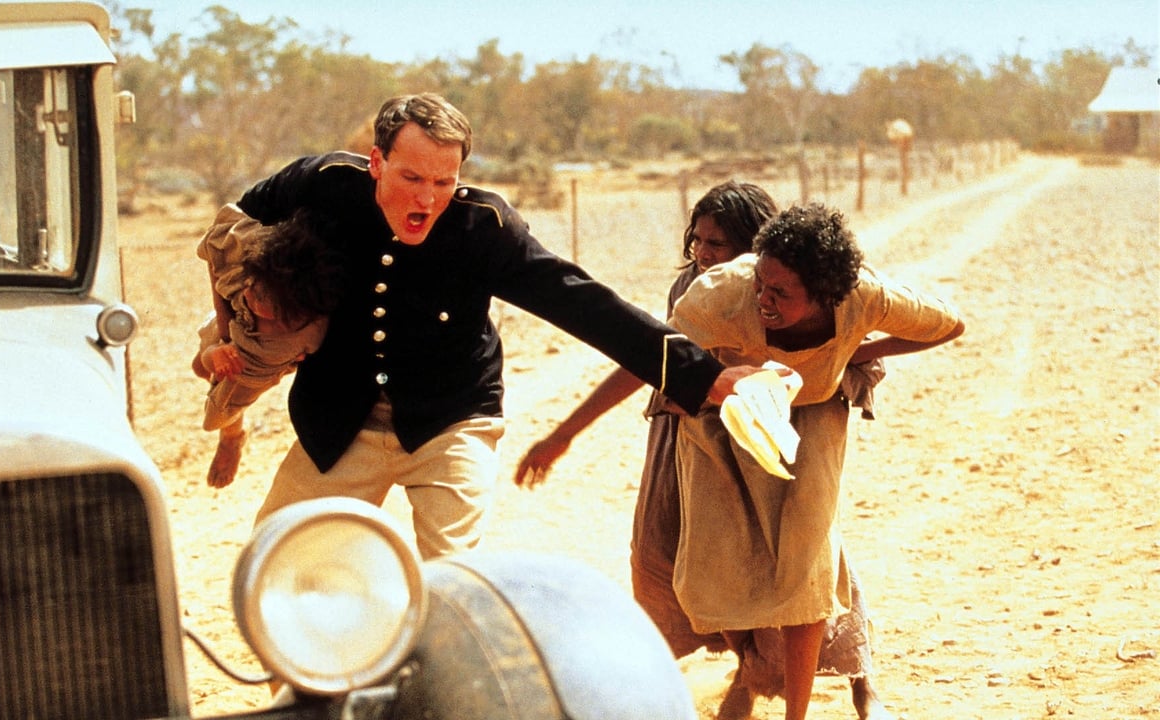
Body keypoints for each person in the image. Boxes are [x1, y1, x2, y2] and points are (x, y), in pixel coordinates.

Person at [234, 92, 738, 559]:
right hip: (339, 419)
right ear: (376, 162)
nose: (427, 200)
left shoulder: (483, 229)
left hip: (451, 421)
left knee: (452, 580)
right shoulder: (321, 185)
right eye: (411, 179)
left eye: (443, 182)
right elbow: (229, 230)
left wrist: (704, 377)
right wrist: (233, 329)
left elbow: (584, 304)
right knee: (275, 560)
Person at [514, 181, 892, 720]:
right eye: (699, 242)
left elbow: (860, 335)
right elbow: (646, 357)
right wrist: (566, 432)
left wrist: (822, 364)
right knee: (672, 556)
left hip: (771, 437)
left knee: (803, 562)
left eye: (719, 245)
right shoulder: (693, 289)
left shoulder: (792, 285)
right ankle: (748, 671)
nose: (705, 255)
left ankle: (861, 683)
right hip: (692, 435)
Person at [667, 202, 965, 720]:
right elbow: (666, 353)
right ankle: (751, 670)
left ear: (826, 294)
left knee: (807, 569)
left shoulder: (864, 297)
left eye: (781, 293)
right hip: (731, 417)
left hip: (816, 417)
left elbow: (948, 324)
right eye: (762, 284)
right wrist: (711, 388)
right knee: (713, 567)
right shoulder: (723, 295)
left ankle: (797, 714)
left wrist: (858, 351)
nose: (763, 299)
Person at [190, 204, 341, 489]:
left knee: (218, 383)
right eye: (253, 286)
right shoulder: (250, 283)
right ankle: (233, 431)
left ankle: (232, 437)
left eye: (260, 297)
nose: (250, 293)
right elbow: (219, 271)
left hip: (259, 361)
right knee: (200, 368)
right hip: (234, 319)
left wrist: (218, 356)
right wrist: (222, 341)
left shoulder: (303, 331)